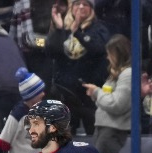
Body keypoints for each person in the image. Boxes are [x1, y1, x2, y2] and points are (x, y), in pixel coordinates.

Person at [45, 0, 109, 135]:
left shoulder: (99, 28)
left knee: (93, 133)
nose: (81, 7)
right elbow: (52, 51)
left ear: (91, 9)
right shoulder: (64, 28)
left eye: (85, 4)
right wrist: (59, 29)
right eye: (77, 3)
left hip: (89, 93)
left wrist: (78, 32)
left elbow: (97, 49)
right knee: (64, 136)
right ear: (71, 8)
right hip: (66, 93)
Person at [83, 34, 132, 153]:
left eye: (110, 54)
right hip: (103, 130)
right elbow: (108, 100)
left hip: (111, 132)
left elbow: (117, 104)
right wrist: (95, 94)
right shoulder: (116, 74)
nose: (107, 57)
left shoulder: (128, 74)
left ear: (119, 53)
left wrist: (97, 92)